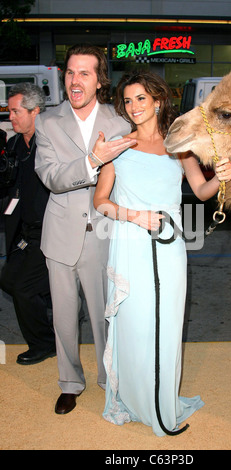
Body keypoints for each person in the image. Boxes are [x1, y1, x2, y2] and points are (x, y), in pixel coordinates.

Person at [93, 70, 231, 437]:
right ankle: (138, 400)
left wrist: (223, 175)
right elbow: (101, 202)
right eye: (128, 100)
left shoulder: (179, 146)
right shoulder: (118, 148)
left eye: (141, 98)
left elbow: (202, 191)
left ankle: (162, 399)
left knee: (168, 324)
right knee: (136, 324)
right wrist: (135, 216)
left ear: (158, 101)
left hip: (170, 248)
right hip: (131, 245)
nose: (134, 106)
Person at [34, 44, 135, 415]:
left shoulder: (121, 123)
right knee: (63, 319)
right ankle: (70, 383)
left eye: (84, 73)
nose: (75, 81)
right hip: (60, 237)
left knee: (105, 317)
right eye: (70, 73)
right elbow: (51, 177)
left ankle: (111, 381)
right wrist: (92, 160)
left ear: (99, 80)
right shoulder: (47, 122)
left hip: (107, 237)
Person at [0, 83, 56, 365]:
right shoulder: (12, 144)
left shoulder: (51, 143)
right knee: (8, 279)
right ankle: (57, 303)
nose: (10, 117)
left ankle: (44, 343)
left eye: (15, 111)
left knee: (23, 288)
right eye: (9, 111)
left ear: (35, 111)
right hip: (23, 230)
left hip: (49, 232)